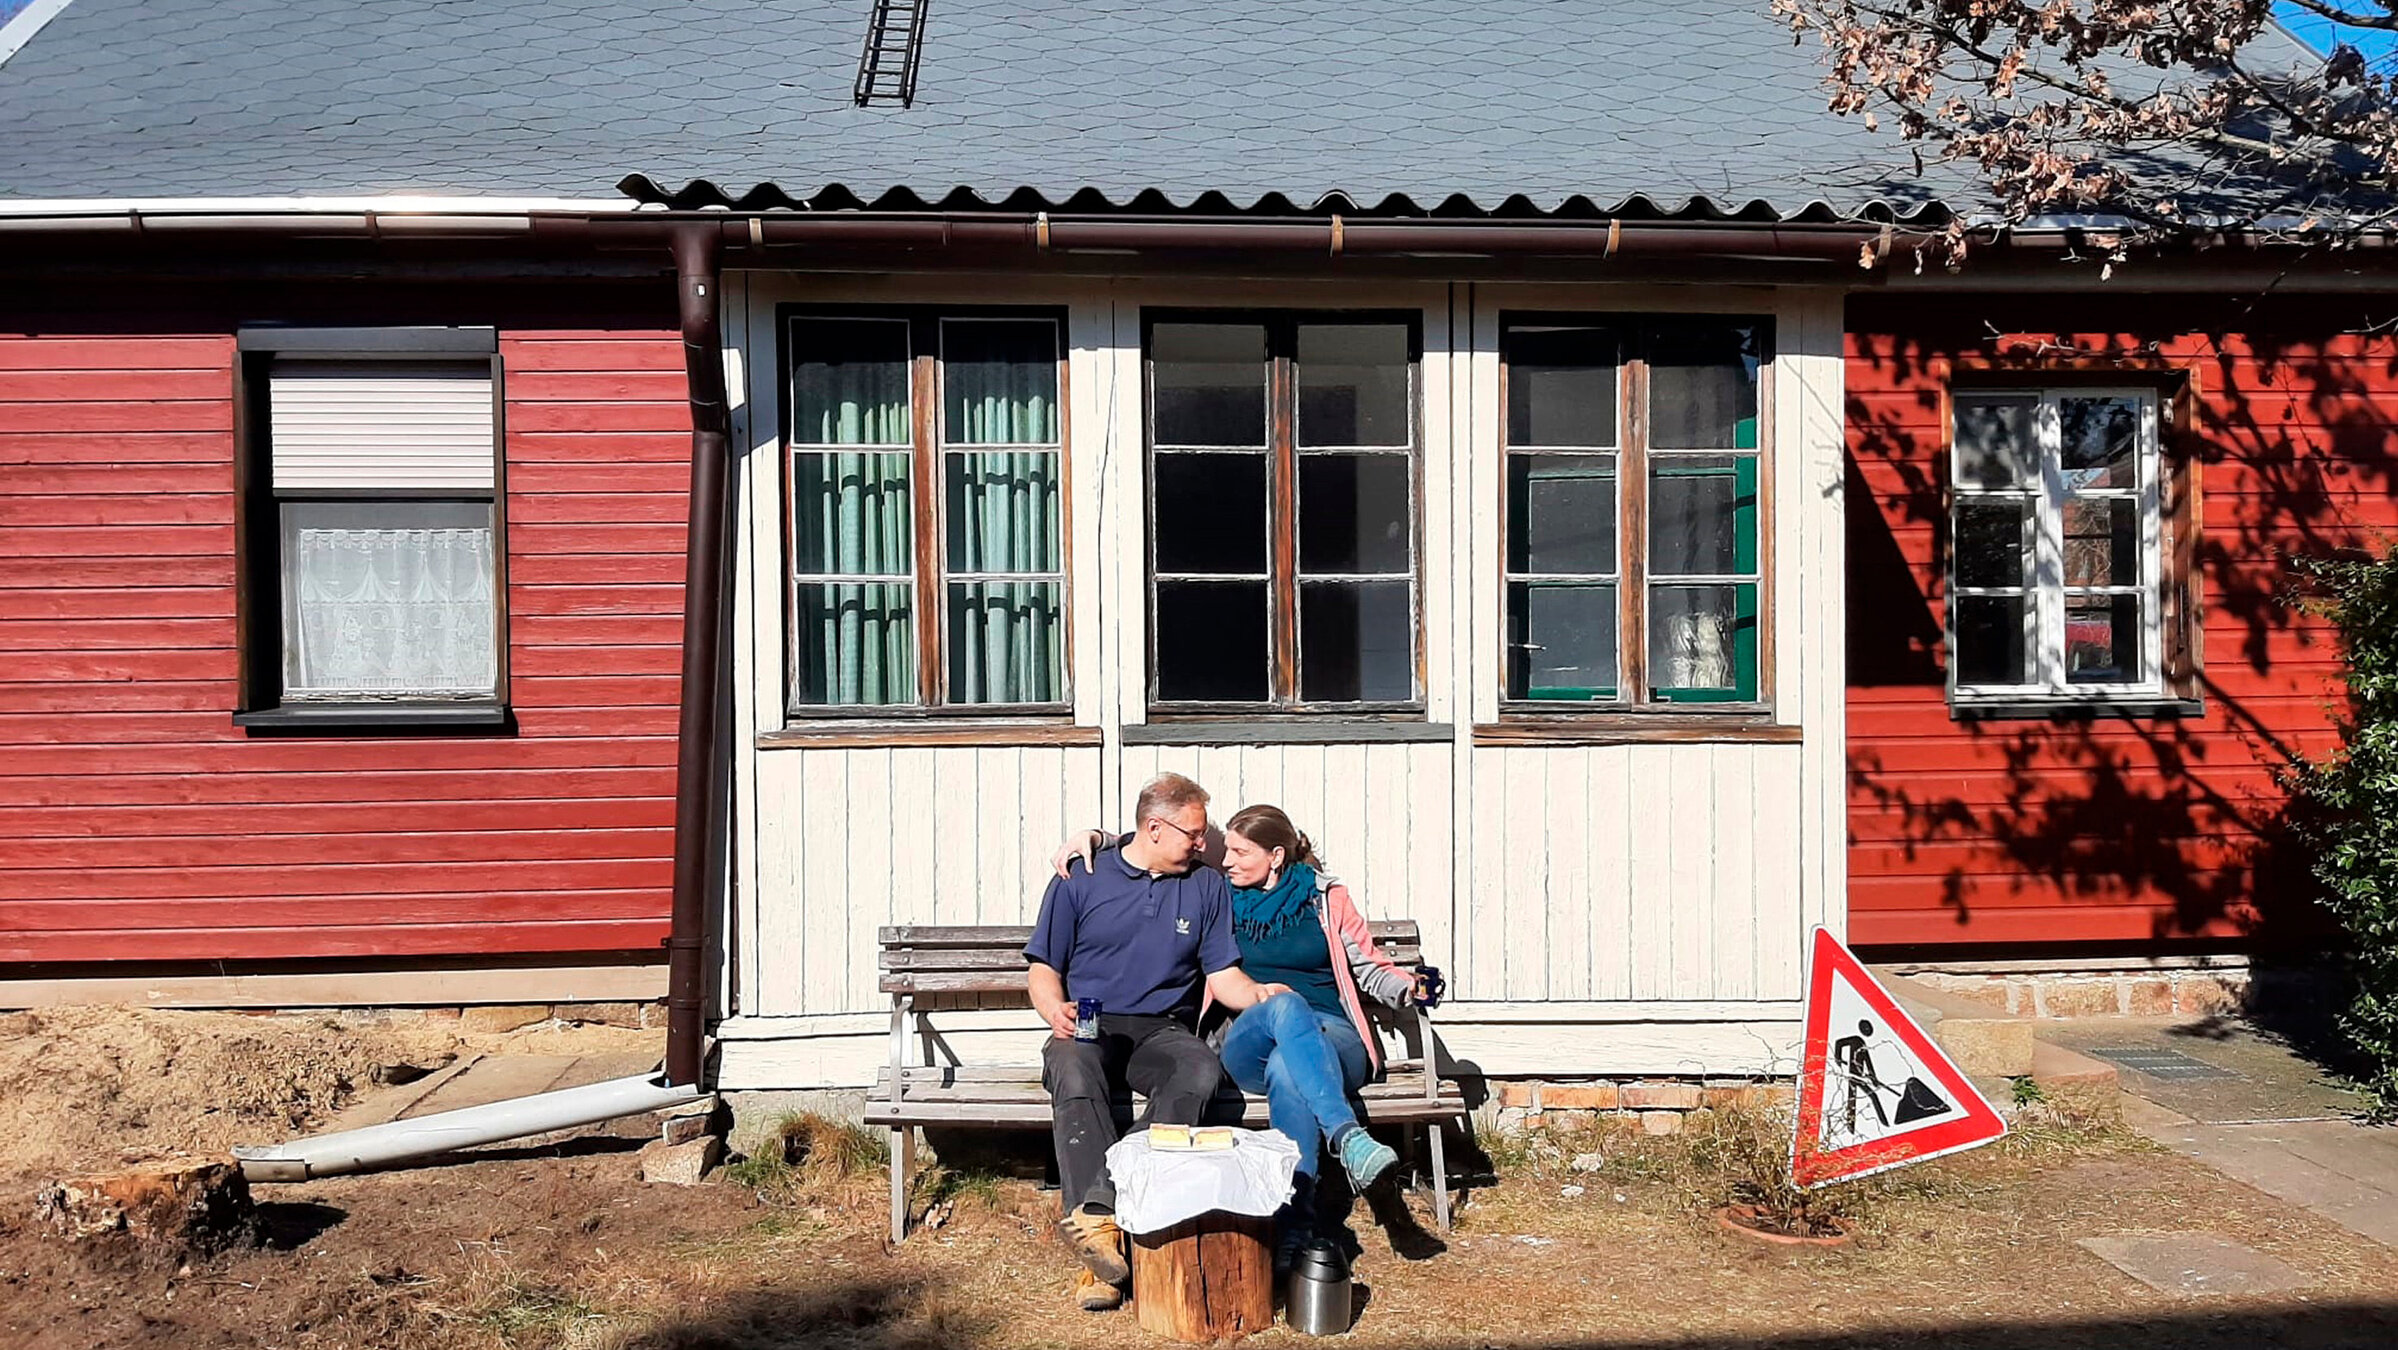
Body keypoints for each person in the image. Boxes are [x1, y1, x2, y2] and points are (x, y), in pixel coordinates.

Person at [1055, 803, 1437, 1268]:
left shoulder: (1324, 898)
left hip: (1332, 1035)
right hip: (1250, 1035)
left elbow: (1370, 968)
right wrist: (1098, 837)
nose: (1227, 860)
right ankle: (1347, 1141)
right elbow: (1156, 841)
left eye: (1240, 852)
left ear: (1275, 856)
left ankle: (1293, 1226)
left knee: (1287, 1066)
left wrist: (1408, 988)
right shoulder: (1220, 894)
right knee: (1285, 1006)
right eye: (1226, 850)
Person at [1024, 772, 1289, 1313]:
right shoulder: (1081, 877)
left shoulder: (1205, 885)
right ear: (1152, 827)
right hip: (1092, 1019)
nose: (1202, 843)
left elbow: (1223, 974)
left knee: (1198, 1072)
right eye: (1193, 833)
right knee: (1073, 1067)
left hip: (1163, 1026)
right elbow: (1044, 968)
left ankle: (1099, 1210)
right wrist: (1055, 1011)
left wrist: (1263, 996)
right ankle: (1097, 1257)